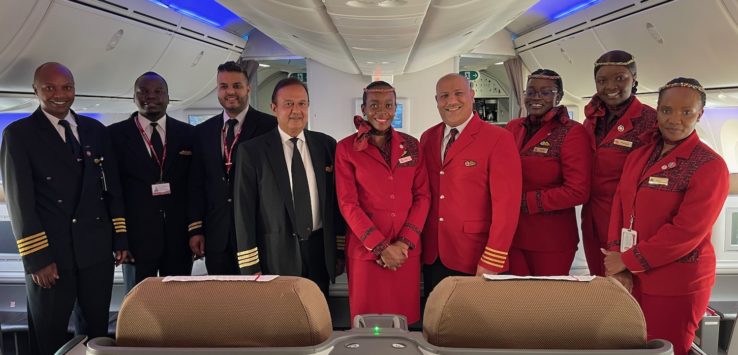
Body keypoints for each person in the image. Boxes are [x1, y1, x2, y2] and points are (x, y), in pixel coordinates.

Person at [0, 62, 128, 355]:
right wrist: (37, 259)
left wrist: (120, 238)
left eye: (66, 87)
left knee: (96, 333)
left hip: (96, 251)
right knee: (49, 334)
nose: (60, 94)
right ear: (36, 90)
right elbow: (21, 202)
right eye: (50, 88)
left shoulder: (95, 130)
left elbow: (111, 190)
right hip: (52, 256)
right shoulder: (19, 134)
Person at [603, 78, 729, 355]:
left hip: (677, 280)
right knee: (632, 344)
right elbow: (620, 207)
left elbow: (686, 232)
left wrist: (626, 260)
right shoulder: (640, 155)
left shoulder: (709, 165)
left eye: (687, 112)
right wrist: (617, 260)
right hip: (633, 275)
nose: (675, 119)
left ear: (700, 114)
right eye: (667, 110)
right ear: (657, 110)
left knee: (667, 348)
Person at [232, 78, 344, 295]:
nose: (296, 110)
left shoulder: (327, 145)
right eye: (288, 104)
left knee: (318, 319)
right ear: (274, 108)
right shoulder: (253, 152)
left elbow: (335, 204)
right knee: (281, 323)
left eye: (302, 103)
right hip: (274, 256)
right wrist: (250, 266)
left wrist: (339, 251)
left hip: (319, 252)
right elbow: (243, 212)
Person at [335, 81, 430, 323]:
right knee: (367, 322)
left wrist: (404, 244)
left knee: (402, 321)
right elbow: (348, 204)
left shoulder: (412, 145)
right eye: (374, 105)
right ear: (364, 108)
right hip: (367, 254)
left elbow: (422, 196)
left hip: (403, 253)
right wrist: (381, 247)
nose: (382, 111)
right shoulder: (346, 148)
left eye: (389, 105)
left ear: (396, 108)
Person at [420, 73, 521, 296]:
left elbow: (507, 207)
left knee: (471, 327)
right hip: (433, 253)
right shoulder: (428, 138)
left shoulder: (498, 138)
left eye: (458, 94)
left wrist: (493, 259)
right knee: (435, 321)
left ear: (472, 96)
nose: (451, 101)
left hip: (475, 256)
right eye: (444, 96)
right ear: (437, 101)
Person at [187, 61, 276, 275]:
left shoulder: (270, 127)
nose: (230, 91)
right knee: (221, 301)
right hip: (217, 234)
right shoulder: (202, 132)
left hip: (258, 233)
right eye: (224, 86)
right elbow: (196, 184)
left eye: (236, 85)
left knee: (257, 301)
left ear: (248, 88)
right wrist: (196, 229)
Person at [108, 72, 194, 289]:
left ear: (168, 96)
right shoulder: (114, 136)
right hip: (135, 240)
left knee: (177, 303)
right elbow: (112, 191)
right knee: (139, 304)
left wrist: (196, 230)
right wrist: (120, 238)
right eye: (143, 91)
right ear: (134, 97)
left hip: (179, 238)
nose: (151, 96)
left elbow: (195, 187)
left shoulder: (188, 135)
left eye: (158, 91)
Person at [505, 69, 592, 276]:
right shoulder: (513, 127)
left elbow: (578, 191)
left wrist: (525, 202)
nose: (536, 98)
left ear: (558, 96)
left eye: (545, 92)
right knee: (514, 300)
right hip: (512, 234)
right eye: (531, 91)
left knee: (546, 303)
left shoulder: (571, 132)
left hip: (550, 238)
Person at [581, 50, 658, 276]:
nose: (610, 86)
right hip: (593, 216)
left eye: (620, 78)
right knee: (599, 278)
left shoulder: (650, 121)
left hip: (627, 219)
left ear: (634, 80)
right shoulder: (592, 118)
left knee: (626, 284)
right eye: (602, 80)